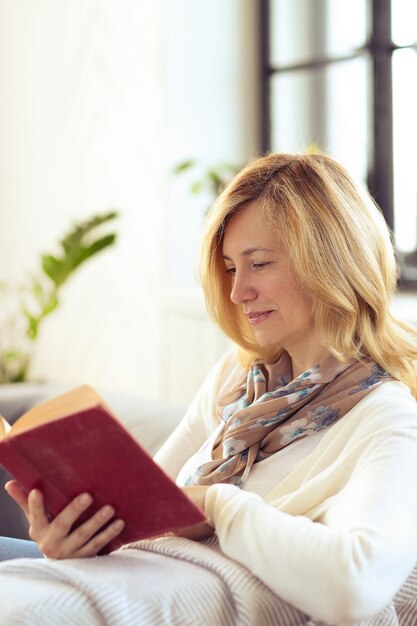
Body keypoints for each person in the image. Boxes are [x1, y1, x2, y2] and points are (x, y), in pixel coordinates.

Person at [1, 152, 417, 625]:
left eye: (258, 264)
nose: (238, 293)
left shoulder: (385, 416)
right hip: (133, 573)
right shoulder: (236, 378)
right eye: (231, 268)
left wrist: (217, 505)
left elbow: (357, 584)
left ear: (332, 263)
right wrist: (75, 539)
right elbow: (142, 515)